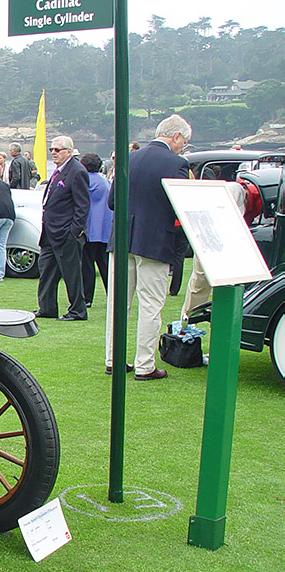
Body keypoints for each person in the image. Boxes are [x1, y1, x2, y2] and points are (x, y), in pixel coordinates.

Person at [104, 114, 192, 380]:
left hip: (121, 239)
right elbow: (182, 206)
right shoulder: (177, 164)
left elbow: (112, 201)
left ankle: (113, 359)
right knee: (151, 305)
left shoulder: (128, 157)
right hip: (154, 242)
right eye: (184, 142)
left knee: (117, 304)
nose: (183, 148)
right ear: (176, 136)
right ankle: (144, 365)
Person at [36, 135, 90, 321]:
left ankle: (77, 310)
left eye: (57, 150)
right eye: (52, 149)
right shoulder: (59, 171)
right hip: (50, 232)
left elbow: (82, 205)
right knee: (46, 271)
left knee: (71, 273)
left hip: (66, 233)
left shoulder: (77, 171)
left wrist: (74, 232)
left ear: (69, 151)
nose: (53, 153)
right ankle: (47, 307)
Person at [180, 179, 248, 324]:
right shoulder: (220, 202)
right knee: (199, 283)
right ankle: (186, 326)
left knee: (225, 288)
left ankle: (221, 324)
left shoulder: (235, 194)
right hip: (208, 243)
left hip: (222, 244)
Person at [80, 153, 113, 308]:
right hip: (105, 228)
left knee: (87, 265)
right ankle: (112, 295)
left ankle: (87, 297)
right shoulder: (104, 180)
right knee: (105, 265)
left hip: (91, 228)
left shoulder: (86, 180)